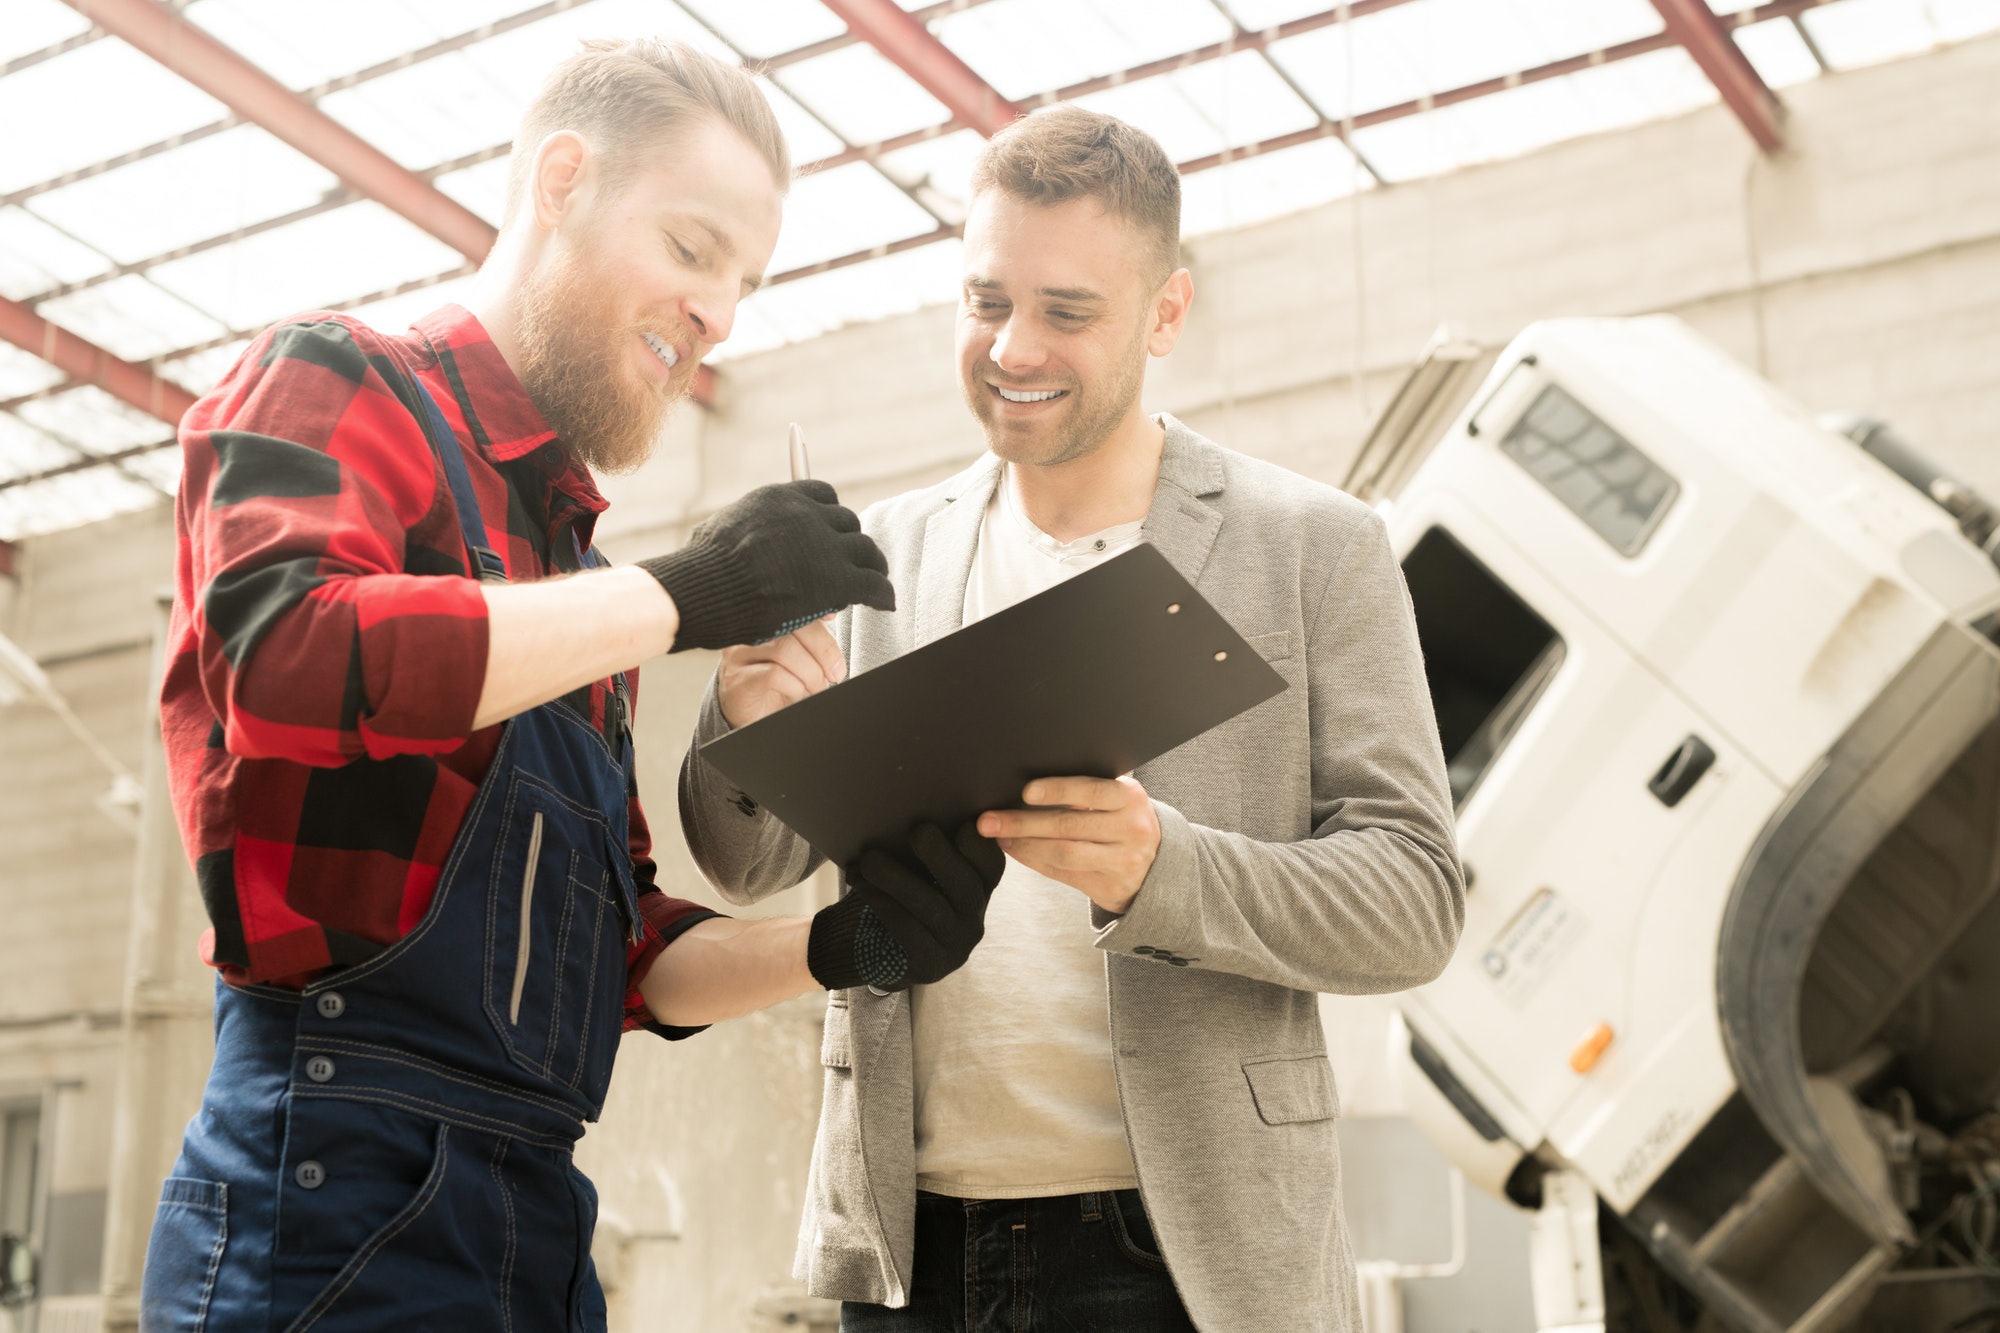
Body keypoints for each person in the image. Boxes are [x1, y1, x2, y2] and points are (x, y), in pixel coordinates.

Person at [141, 39, 1003, 1332]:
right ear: (560, 182)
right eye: (694, 250)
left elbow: (626, 959)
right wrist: (689, 594)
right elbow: (288, 657)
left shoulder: (572, 583)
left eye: (744, 285)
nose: (718, 314)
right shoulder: (331, 379)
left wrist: (843, 949)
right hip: (325, 1202)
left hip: (536, 1224)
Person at [679, 105, 1467, 1332]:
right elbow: (748, 862)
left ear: (1164, 313)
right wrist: (738, 718)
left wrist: (1171, 868)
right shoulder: (874, 555)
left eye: (1066, 311)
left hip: (1177, 1253)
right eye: (985, 300)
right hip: (907, 1245)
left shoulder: (1311, 550)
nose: (1012, 346)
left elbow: (1414, 900)